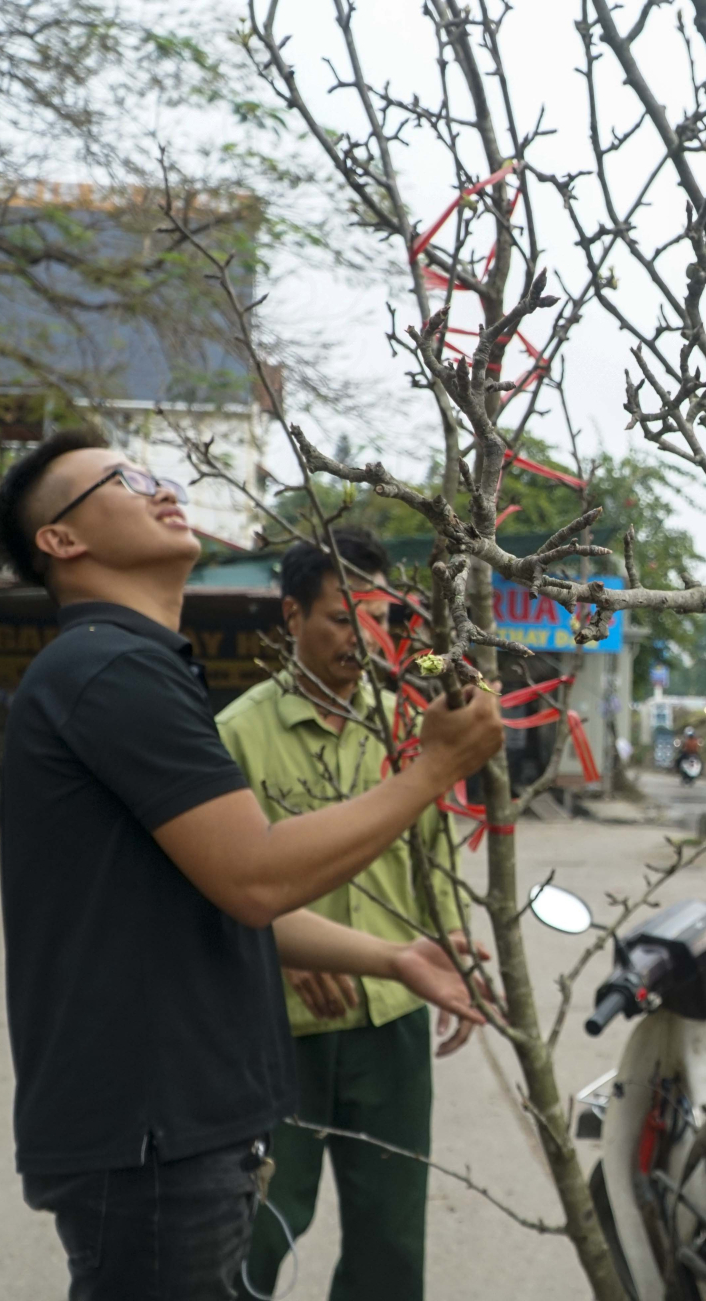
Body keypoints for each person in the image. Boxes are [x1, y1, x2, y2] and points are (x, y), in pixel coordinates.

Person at [0, 430, 504, 1301]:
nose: (159, 487)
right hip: (155, 1131)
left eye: (153, 471)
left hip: (181, 1124)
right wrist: (437, 769)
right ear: (62, 541)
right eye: (122, 479)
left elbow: (218, 897)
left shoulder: (135, 667)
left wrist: (393, 955)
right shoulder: (110, 668)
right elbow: (255, 875)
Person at [220, 531, 460, 1301]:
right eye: (340, 618)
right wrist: (278, 949)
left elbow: (435, 859)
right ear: (291, 615)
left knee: (392, 1235)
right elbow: (213, 882)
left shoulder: (410, 734)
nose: (364, 639)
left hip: (389, 1019)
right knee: (256, 1226)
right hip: (275, 1027)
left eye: (381, 618)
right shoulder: (236, 735)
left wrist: (453, 950)